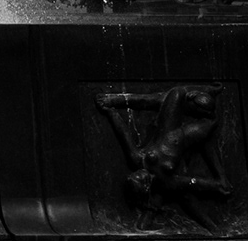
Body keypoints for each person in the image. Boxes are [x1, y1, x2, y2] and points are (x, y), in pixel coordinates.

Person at [95, 85, 231, 230]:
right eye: (140, 178)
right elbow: (191, 184)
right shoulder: (165, 182)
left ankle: (118, 100)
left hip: (167, 126)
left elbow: (124, 135)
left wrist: (111, 112)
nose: (140, 173)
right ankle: (214, 226)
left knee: (176, 93)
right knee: (208, 116)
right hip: (185, 136)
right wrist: (216, 186)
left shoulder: (138, 160)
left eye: (136, 174)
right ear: (146, 187)